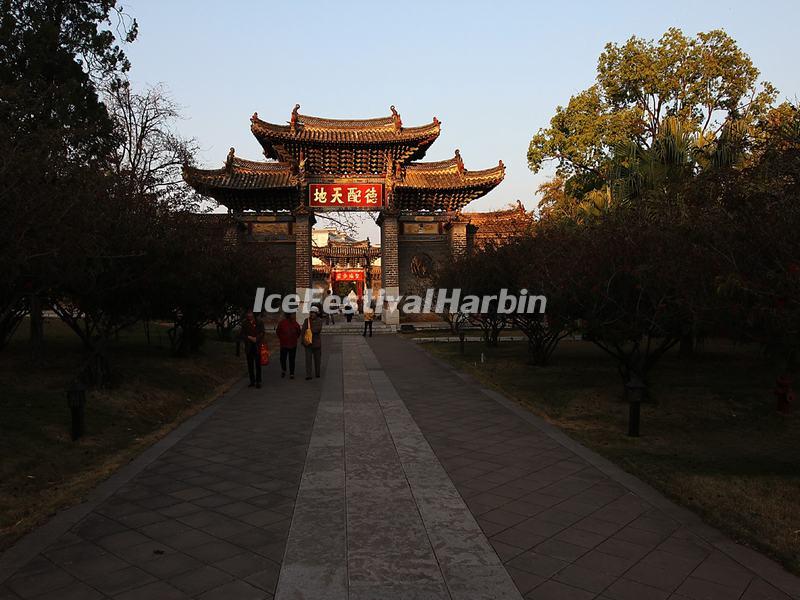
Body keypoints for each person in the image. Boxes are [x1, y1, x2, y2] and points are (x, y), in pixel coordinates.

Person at [239, 310, 265, 388]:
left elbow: (262, 332)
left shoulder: (259, 322)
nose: (249, 315)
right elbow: (242, 334)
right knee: (250, 364)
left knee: (258, 364)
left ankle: (258, 381)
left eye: (250, 314)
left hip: (257, 345)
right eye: (248, 314)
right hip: (249, 346)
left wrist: (256, 338)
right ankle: (252, 381)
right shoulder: (245, 323)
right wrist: (249, 337)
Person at [275, 311, 301, 379]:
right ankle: (284, 370)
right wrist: (282, 338)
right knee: (283, 359)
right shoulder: (282, 323)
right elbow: (278, 332)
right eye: (292, 314)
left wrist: (294, 338)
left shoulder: (295, 323)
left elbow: (298, 332)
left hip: (292, 344)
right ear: (288, 315)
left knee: (291, 359)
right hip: (284, 344)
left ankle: (291, 373)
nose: (293, 316)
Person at [302, 306, 324, 380]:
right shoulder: (306, 320)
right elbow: (303, 331)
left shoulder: (319, 321)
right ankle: (309, 375)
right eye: (311, 312)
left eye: (313, 313)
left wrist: (309, 330)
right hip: (308, 343)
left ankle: (317, 373)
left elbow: (317, 330)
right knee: (308, 360)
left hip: (316, 343)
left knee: (317, 360)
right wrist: (303, 341)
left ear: (316, 313)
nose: (312, 314)